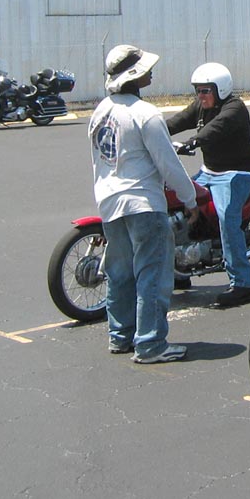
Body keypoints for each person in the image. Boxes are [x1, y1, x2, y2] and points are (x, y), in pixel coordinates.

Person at [89, 44, 198, 363]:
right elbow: (168, 163)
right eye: (146, 69)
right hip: (143, 204)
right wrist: (189, 199)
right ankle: (150, 344)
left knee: (120, 273)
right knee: (152, 274)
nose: (151, 72)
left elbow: (99, 161)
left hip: (110, 203)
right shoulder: (145, 113)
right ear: (134, 76)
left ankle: (120, 335)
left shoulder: (100, 112)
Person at [166, 62, 250, 307]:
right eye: (198, 90)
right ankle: (180, 271)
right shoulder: (200, 106)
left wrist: (192, 142)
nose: (201, 95)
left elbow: (215, 128)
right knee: (178, 203)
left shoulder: (235, 108)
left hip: (237, 172)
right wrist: (154, 132)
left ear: (220, 89)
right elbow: (177, 121)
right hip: (209, 171)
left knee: (226, 217)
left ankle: (242, 282)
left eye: (206, 90)